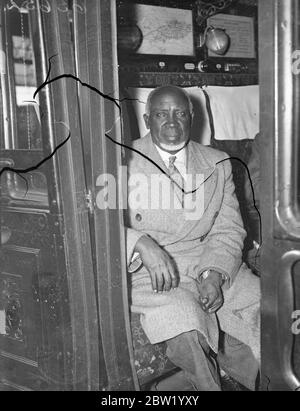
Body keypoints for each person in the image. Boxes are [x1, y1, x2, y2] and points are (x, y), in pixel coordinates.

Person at [125, 85, 260, 391]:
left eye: (180, 113)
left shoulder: (218, 162)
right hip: (151, 275)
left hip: (208, 262)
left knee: (266, 308)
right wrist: (139, 242)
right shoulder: (122, 159)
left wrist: (214, 273)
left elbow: (229, 228)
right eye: (161, 114)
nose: (172, 122)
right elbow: (98, 225)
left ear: (192, 117)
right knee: (185, 321)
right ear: (147, 120)